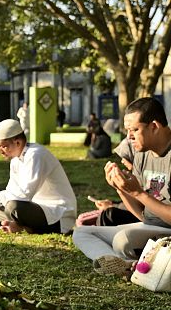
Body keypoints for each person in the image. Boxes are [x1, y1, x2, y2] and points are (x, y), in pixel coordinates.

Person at [73, 97, 171, 275]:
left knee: (123, 240)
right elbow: (143, 216)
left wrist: (139, 193)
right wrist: (121, 188)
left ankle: (132, 265)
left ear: (154, 126)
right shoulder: (142, 153)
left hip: (168, 231)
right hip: (151, 229)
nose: (129, 137)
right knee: (82, 233)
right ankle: (123, 265)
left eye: (134, 130)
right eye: (127, 131)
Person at [0, 119, 76, 234]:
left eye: (3, 146)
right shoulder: (15, 160)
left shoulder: (36, 155)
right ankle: (17, 224)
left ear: (17, 143)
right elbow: (12, 191)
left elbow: (23, 195)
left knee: (13, 207)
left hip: (57, 215)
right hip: (35, 209)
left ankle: (20, 226)